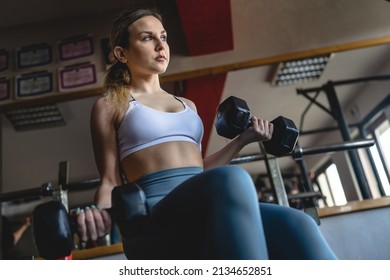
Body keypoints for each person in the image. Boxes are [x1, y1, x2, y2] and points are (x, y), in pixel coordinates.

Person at [73, 7, 337, 260]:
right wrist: (99, 213)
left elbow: (199, 170)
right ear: (121, 53)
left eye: (163, 37)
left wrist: (243, 140)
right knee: (232, 178)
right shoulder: (110, 105)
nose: (160, 45)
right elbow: (109, 180)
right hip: (153, 213)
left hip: (201, 200)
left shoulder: (187, 105)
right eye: (147, 38)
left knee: (297, 222)